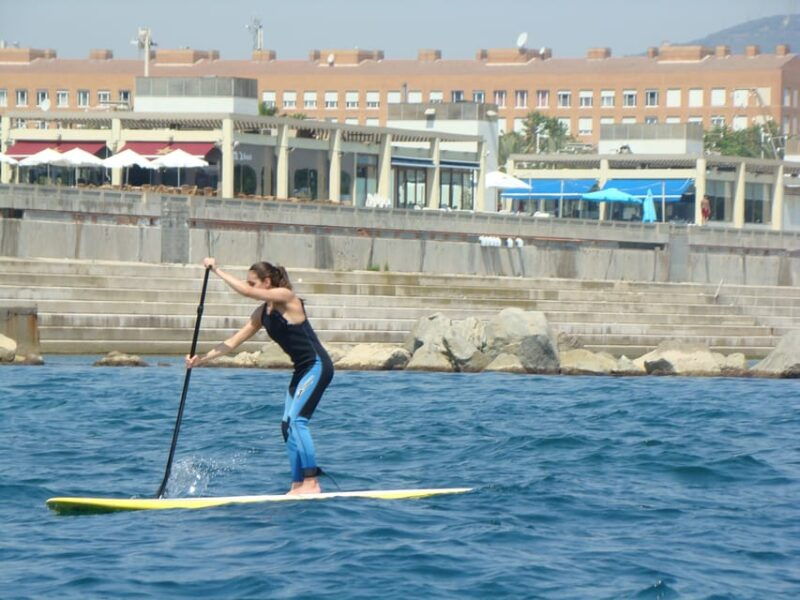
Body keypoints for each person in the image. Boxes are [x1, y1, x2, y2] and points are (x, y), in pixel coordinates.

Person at [185, 257, 334, 495]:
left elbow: (245, 292)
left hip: (317, 366)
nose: (249, 286)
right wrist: (201, 360)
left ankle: (312, 482)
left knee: (297, 422)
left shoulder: (287, 297)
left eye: (253, 283)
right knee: (287, 426)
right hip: (301, 371)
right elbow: (233, 342)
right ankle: (297, 484)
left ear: (267, 282)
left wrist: (217, 270)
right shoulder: (261, 314)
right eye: (248, 282)